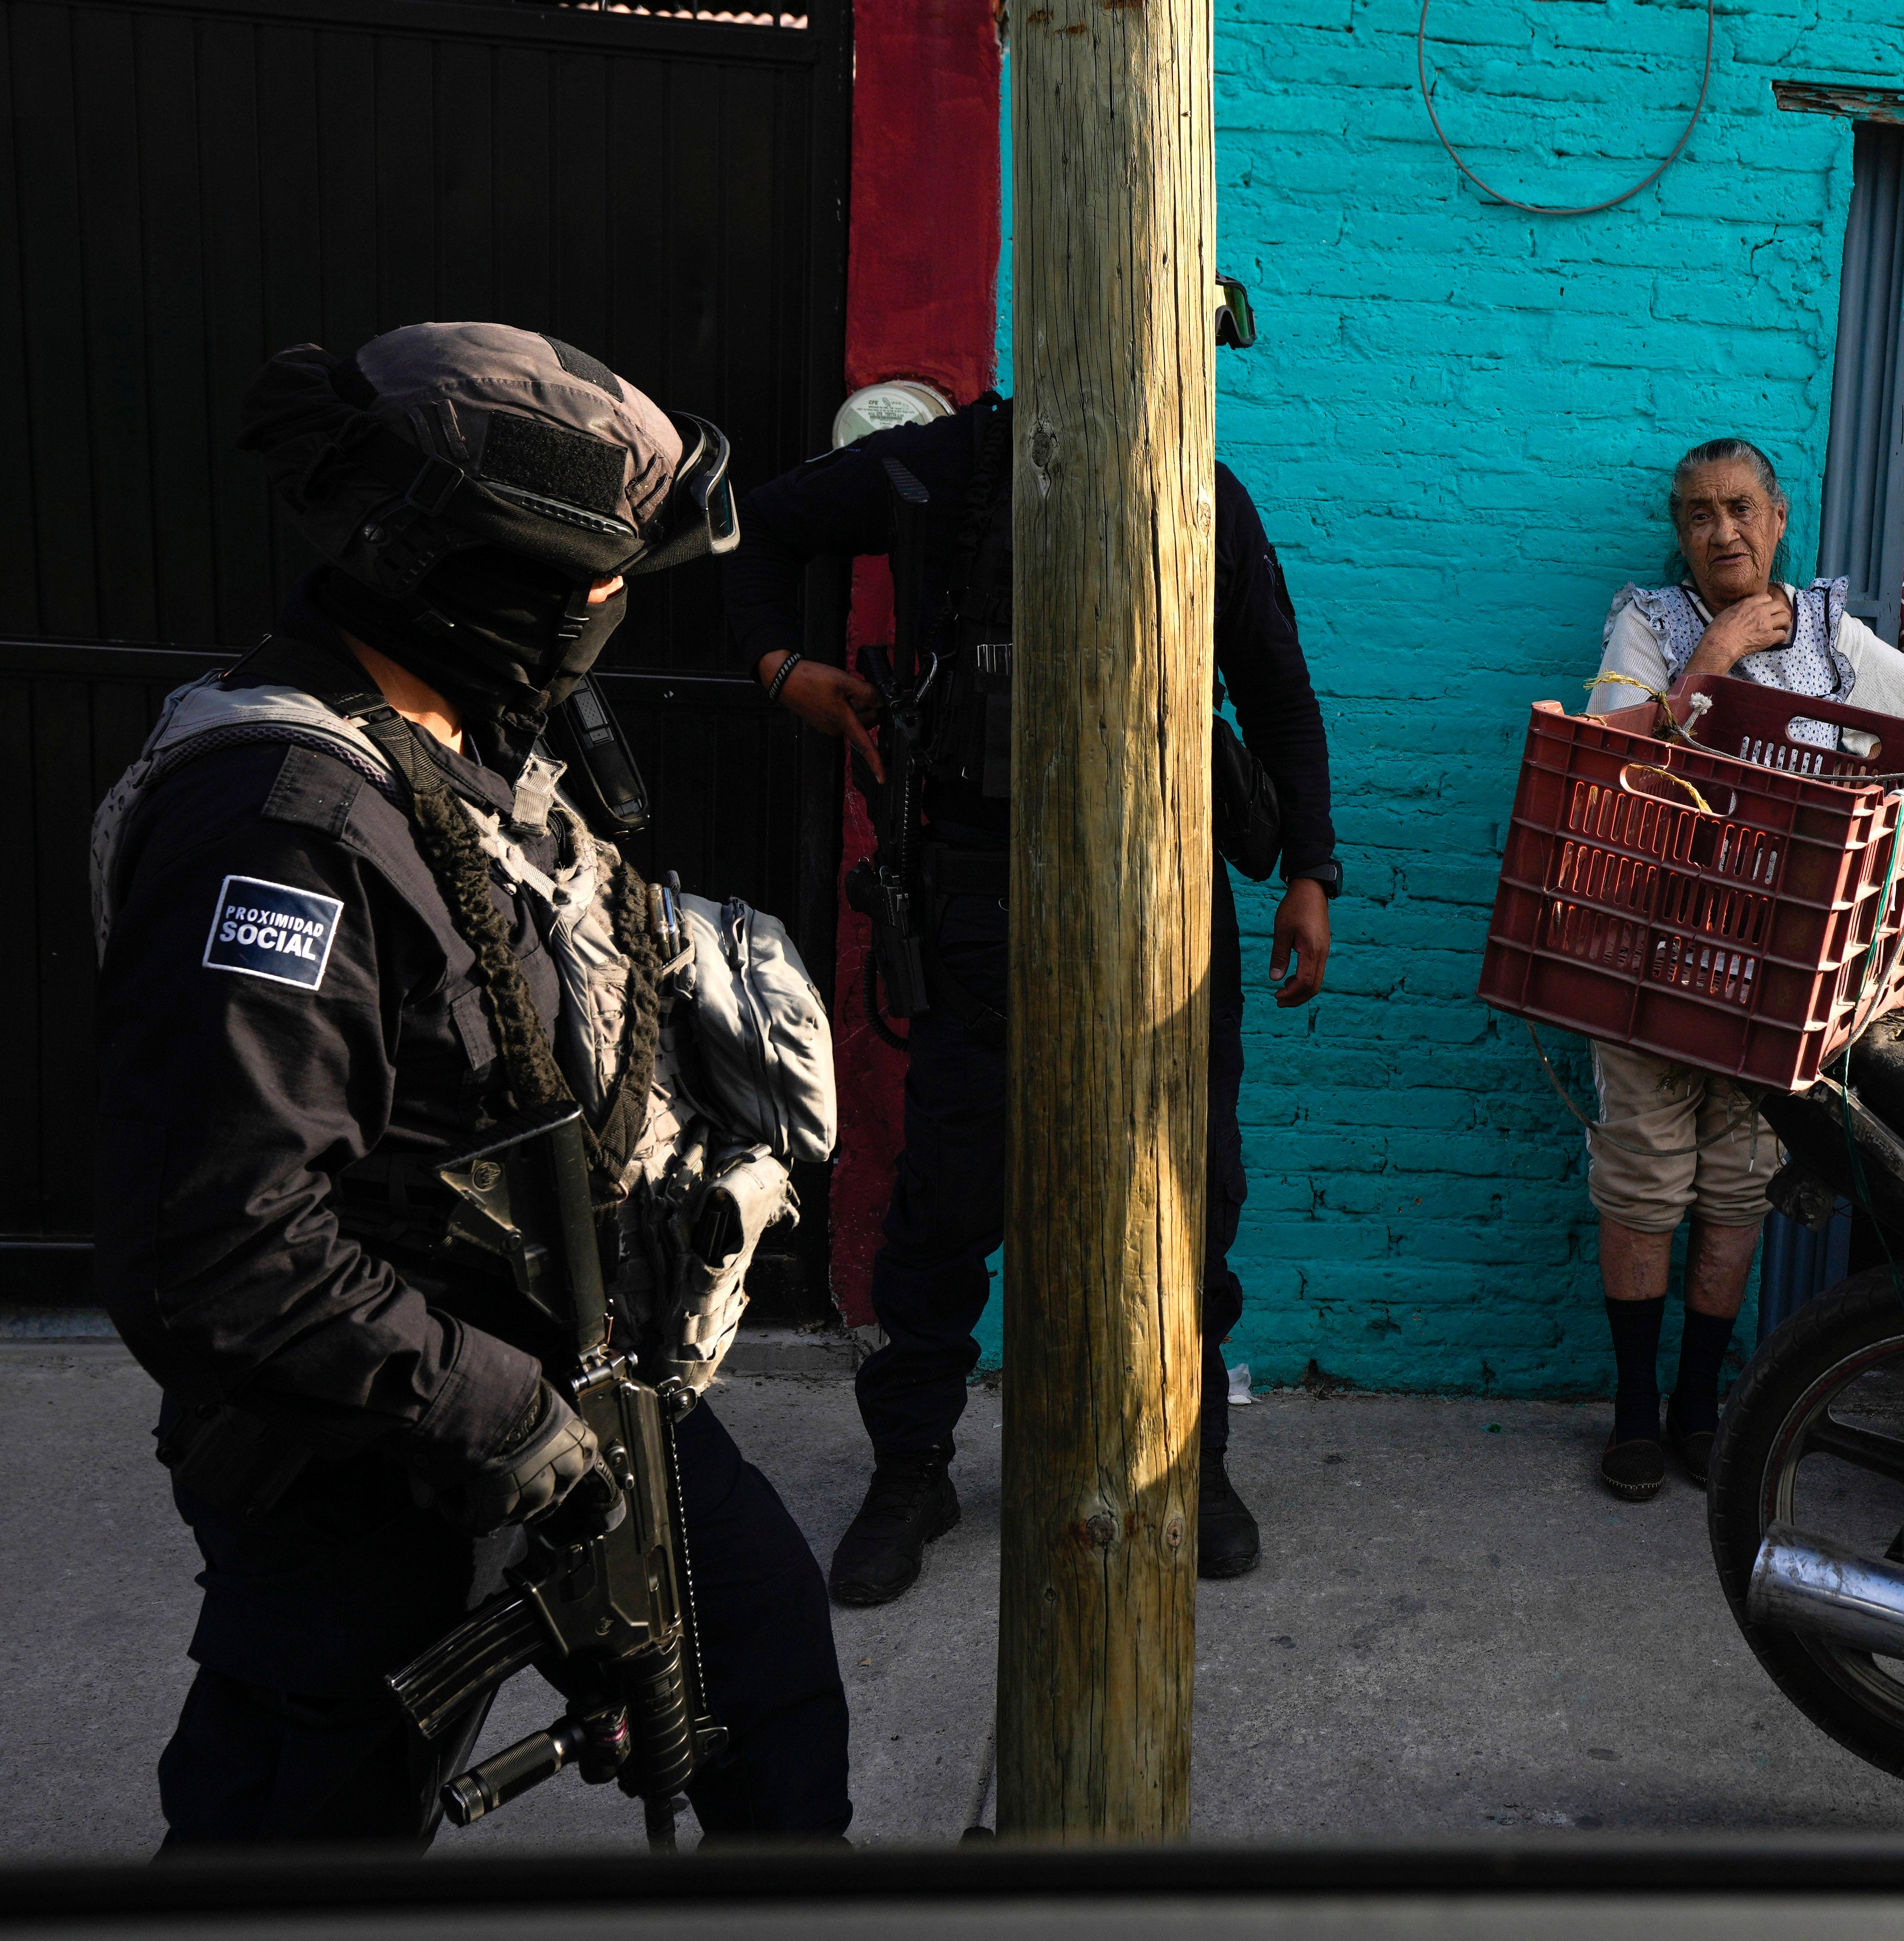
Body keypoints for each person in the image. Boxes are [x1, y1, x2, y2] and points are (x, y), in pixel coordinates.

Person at [93, 324, 851, 1847]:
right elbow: (220, 1245)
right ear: (475, 581)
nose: (611, 613)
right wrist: (509, 1423)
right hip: (377, 1456)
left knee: (768, 1699)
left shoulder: (476, 742)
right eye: (592, 582)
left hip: (592, 1383)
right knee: (299, 1832)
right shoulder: (282, 822)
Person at [723, 395, 1338, 1599]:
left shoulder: (1200, 489)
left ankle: (1189, 1458)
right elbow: (751, 525)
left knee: (1189, 1190)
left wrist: (1310, 872)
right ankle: (912, 1467)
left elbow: (1275, 688)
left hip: (1167, 908)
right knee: (952, 1196)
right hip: (980, 896)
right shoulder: (948, 465)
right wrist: (778, 665)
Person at [1580, 437, 1904, 1501]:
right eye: (1698, 514)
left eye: (1741, 508)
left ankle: (1704, 1408)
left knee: (1739, 1183)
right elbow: (1613, 748)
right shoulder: (1647, 623)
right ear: (1680, 530)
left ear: (1780, 516)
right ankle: (1635, 1413)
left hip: (1779, 969)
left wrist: (1869, 816)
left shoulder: (1833, 630)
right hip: (1648, 951)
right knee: (1645, 1181)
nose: (1722, 531)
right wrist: (1723, 644)